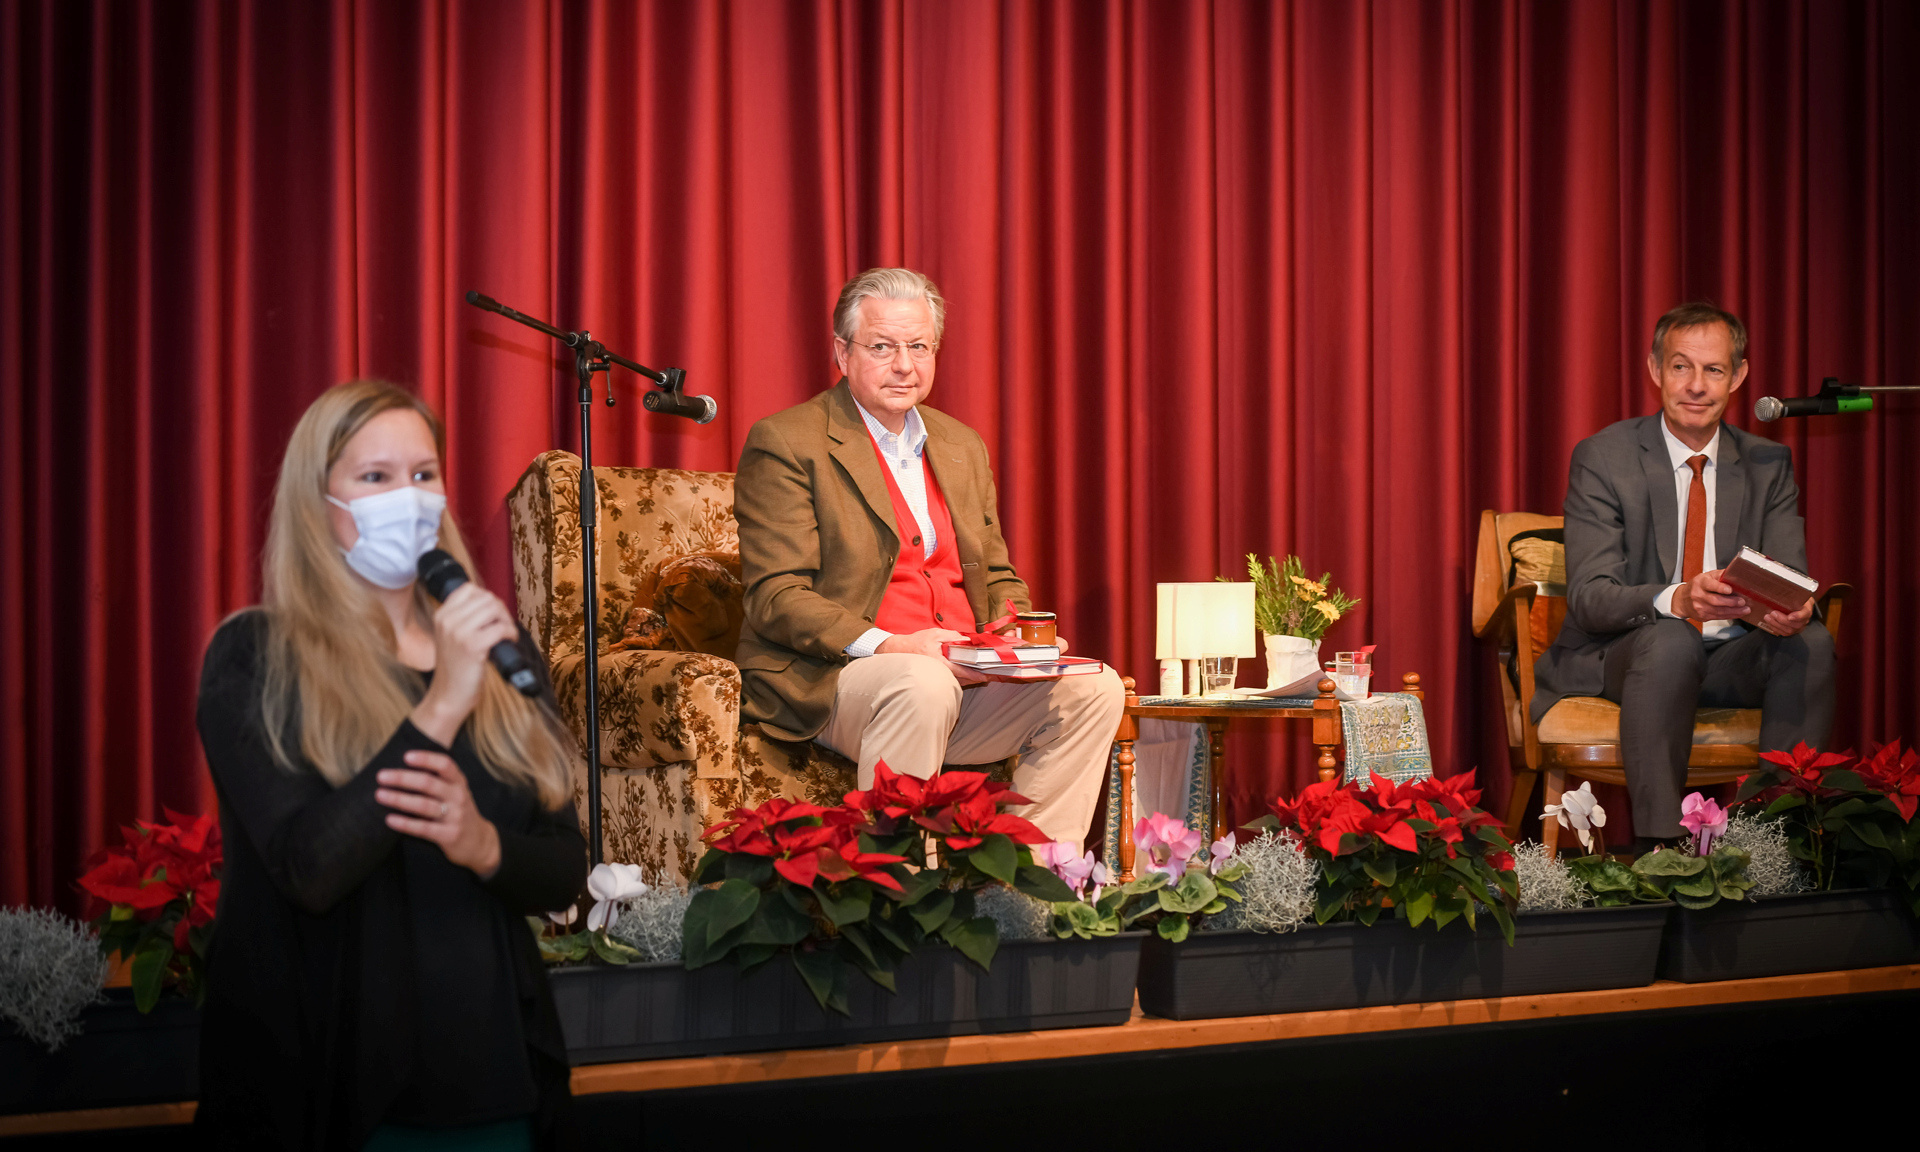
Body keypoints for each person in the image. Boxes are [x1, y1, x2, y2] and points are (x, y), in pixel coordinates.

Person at [194, 381, 586, 1151]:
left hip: (493, 1078)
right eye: (373, 478)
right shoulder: (255, 659)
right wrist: (440, 705)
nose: (405, 499)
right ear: (319, 502)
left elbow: (564, 869)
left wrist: (484, 846)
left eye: (422, 475)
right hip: (336, 1090)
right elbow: (310, 868)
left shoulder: (495, 652)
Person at [733, 268, 1124, 844]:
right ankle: (898, 898)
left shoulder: (960, 444)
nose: (904, 365)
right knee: (922, 680)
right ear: (842, 352)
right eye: (882, 346)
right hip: (837, 679)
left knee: (1096, 690)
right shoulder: (788, 441)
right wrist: (895, 645)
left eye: (918, 346)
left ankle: (1033, 895)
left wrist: (1016, 638)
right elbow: (777, 597)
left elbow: (996, 574)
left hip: (963, 677)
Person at [1532, 303, 1834, 852]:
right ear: (1654, 370)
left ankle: (1778, 843)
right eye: (1680, 367)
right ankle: (1662, 851)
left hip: (1731, 658)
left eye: (1714, 370)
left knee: (1810, 641)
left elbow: (1789, 576)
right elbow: (1590, 599)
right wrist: (1681, 599)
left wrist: (1793, 608)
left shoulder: (1769, 463)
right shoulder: (1605, 457)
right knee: (1672, 641)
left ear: (1738, 376)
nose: (1696, 386)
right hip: (1629, 656)